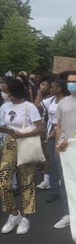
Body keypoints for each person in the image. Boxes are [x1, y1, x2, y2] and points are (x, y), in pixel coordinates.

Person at [0, 79, 45, 234]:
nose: (3, 91)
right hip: (10, 145)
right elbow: (4, 125)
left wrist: (22, 134)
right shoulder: (5, 106)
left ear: (13, 91)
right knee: (3, 181)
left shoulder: (29, 107)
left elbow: (40, 129)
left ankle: (26, 217)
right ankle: (13, 214)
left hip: (26, 144)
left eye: (4, 89)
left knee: (27, 182)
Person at [52, 71, 76, 229]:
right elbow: (58, 126)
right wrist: (56, 147)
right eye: (69, 81)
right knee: (64, 182)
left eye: (74, 81)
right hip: (64, 148)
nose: (71, 84)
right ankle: (68, 214)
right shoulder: (63, 103)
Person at [43, 80, 70, 203]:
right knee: (53, 161)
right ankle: (54, 191)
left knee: (65, 163)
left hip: (64, 134)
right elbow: (38, 104)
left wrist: (55, 131)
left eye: (53, 87)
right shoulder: (51, 100)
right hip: (51, 134)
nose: (50, 88)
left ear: (59, 89)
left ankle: (68, 188)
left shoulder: (67, 101)